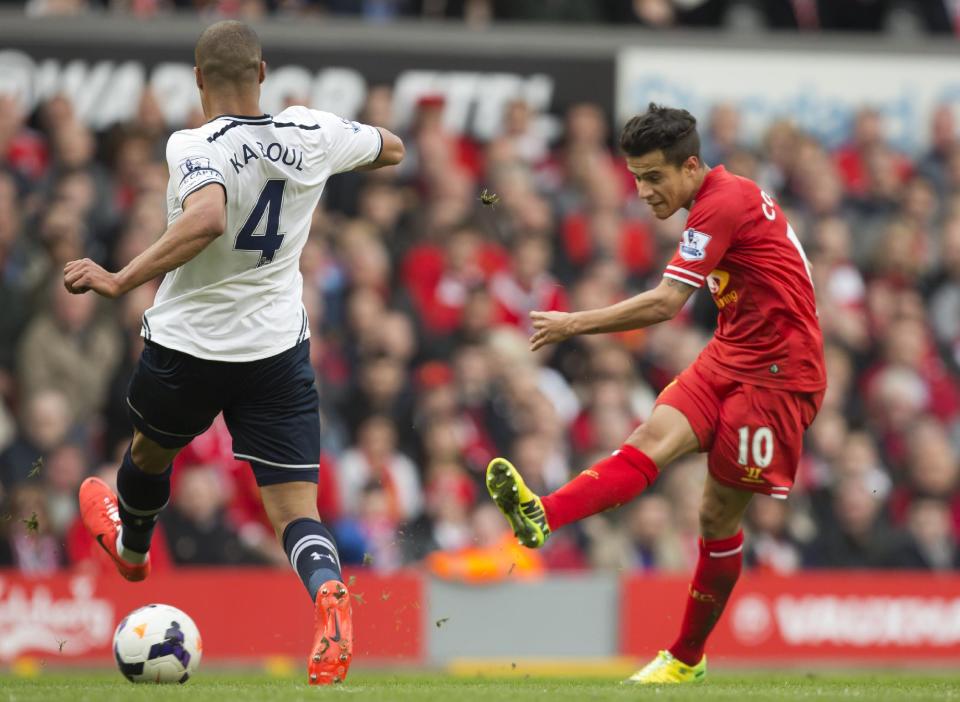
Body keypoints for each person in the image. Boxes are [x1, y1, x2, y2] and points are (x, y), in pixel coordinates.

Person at [63, 20, 403, 686]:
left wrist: (119, 278)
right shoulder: (311, 131)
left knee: (148, 452)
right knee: (294, 512)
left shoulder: (195, 142)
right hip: (275, 350)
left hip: (190, 345)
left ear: (197, 80)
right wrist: (334, 145)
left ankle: (133, 552)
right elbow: (391, 148)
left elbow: (208, 217)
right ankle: (329, 592)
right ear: (264, 73)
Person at [486, 103, 825, 684]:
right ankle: (543, 515)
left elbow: (667, 304)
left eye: (653, 176)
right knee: (649, 437)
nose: (642, 191)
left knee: (715, 515)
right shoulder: (721, 197)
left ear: (691, 166)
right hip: (732, 352)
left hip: (778, 376)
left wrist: (572, 323)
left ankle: (686, 658)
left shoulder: (722, 202)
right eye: (636, 177)